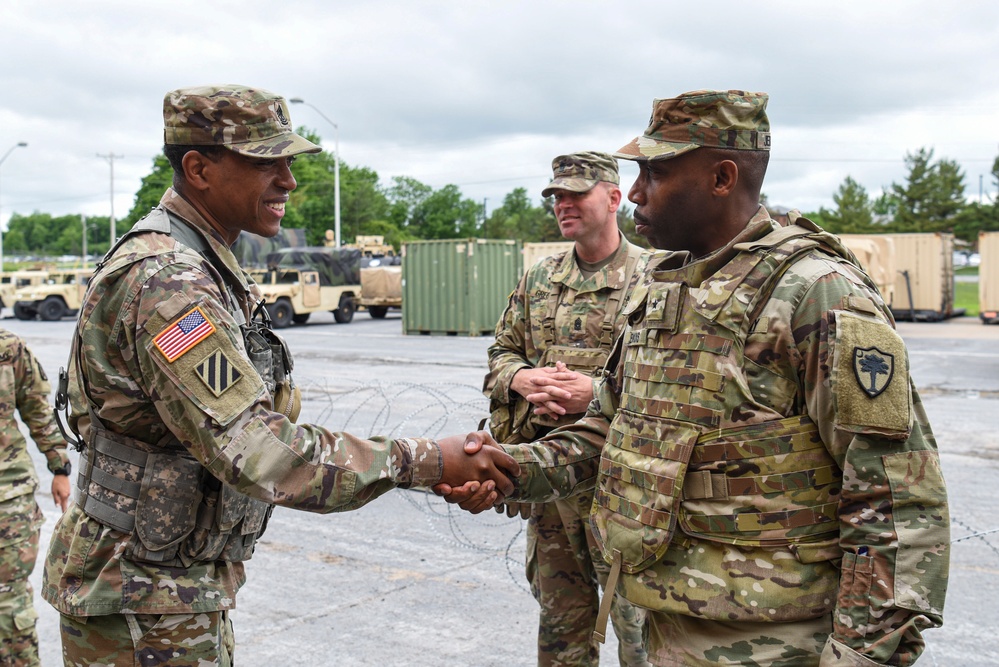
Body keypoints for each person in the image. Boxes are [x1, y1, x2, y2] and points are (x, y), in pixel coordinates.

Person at [443, 90, 950, 666]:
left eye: (655, 172)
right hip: (667, 628)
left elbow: (897, 502)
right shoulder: (665, 288)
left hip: (778, 648)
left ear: (721, 177)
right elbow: (608, 432)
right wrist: (506, 468)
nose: (635, 192)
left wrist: (860, 656)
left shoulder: (815, 295)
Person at [41, 84, 518, 665]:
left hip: (161, 585)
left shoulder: (203, 261)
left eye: (288, 162)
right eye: (267, 163)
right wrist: (426, 459)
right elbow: (260, 451)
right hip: (141, 597)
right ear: (199, 168)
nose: (289, 180)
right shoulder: (169, 284)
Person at [484, 151, 651, 666]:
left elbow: (669, 387)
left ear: (614, 197)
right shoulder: (539, 279)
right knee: (561, 624)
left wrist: (593, 393)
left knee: (639, 626)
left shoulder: (655, 278)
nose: (563, 204)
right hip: (550, 487)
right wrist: (522, 376)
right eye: (556, 195)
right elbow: (499, 354)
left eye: (576, 193)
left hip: (622, 487)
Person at [0, 328, 71, 666]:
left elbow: (38, 411)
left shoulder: (8, 348)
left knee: (7, 602)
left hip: (6, 501)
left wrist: (60, 468)